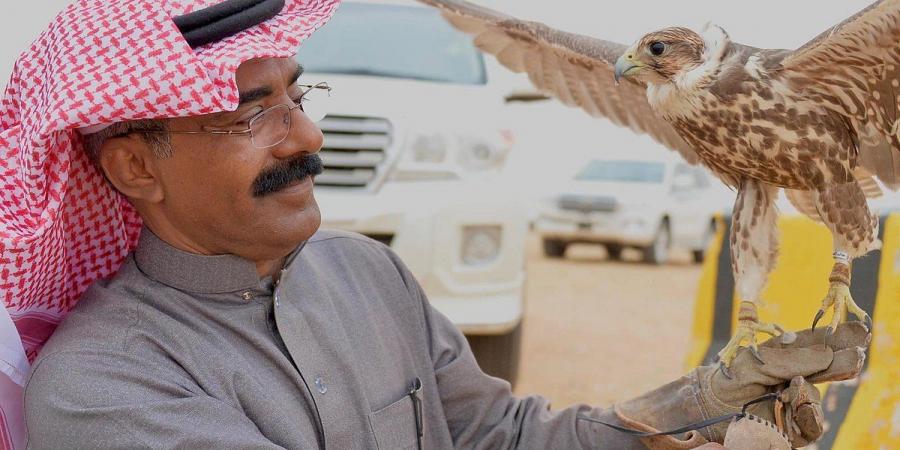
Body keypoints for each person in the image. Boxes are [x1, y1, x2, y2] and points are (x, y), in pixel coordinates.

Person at [1, 1, 869, 448]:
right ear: (134, 166)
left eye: (300, 97)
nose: (307, 135)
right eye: (249, 115)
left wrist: (696, 408)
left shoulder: (366, 275)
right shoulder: (103, 388)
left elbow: (502, 439)